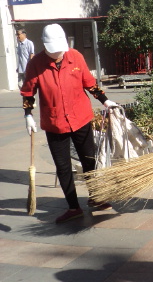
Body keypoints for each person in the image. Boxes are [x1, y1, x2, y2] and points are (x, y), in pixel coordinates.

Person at [20, 24, 118, 224]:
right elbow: (28, 92)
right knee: (63, 166)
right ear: (44, 45)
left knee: (89, 160)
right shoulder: (36, 64)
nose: (58, 54)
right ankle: (73, 207)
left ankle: (96, 197)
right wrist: (28, 114)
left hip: (80, 117)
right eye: (53, 50)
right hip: (55, 122)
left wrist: (105, 100)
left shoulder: (75, 56)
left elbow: (89, 83)